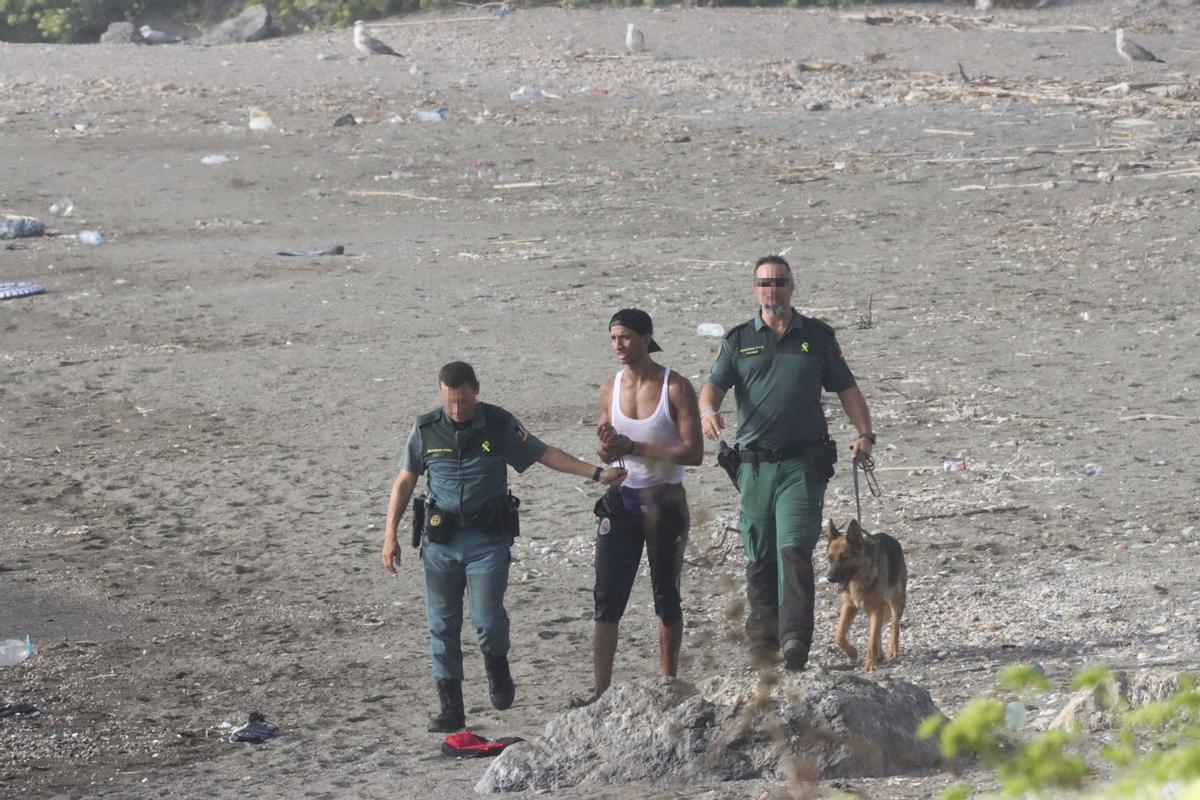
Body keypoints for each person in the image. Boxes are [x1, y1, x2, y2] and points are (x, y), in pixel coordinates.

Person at [381, 361, 627, 732]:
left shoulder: (498, 424)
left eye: (463, 401)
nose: (457, 410)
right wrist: (390, 535)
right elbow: (404, 481)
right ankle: (451, 708)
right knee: (442, 626)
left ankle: (497, 666)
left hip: (487, 542)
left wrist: (596, 473)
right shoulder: (426, 429)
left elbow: (545, 454)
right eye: (451, 402)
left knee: (486, 620)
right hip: (441, 543)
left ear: (476, 390)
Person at [698, 256, 875, 671]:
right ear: (754, 289)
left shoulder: (816, 336)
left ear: (792, 286)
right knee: (759, 555)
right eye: (764, 284)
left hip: (802, 464)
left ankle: (795, 641)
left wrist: (864, 434)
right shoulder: (739, 340)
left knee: (793, 549)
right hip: (754, 467)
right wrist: (708, 411)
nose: (772, 290)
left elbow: (847, 388)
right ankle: (764, 639)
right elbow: (712, 388)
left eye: (778, 282)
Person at [576, 309, 703, 706]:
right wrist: (608, 446)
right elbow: (605, 442)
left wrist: (634, 447)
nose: (619, 345)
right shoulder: (608, 387)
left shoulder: (675, 386)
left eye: (627, 337)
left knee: (666, 593)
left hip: (665, 500)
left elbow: (693, 452)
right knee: (607, 595)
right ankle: (600, 689)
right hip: (623, 499)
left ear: (647, 339)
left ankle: (667, 682)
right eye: (613, 337)